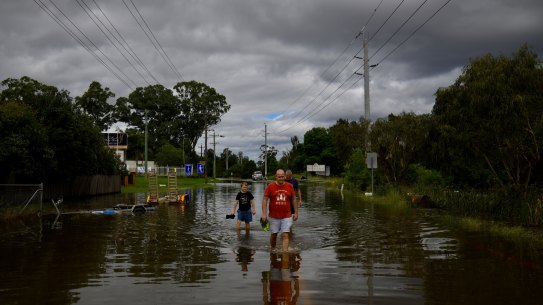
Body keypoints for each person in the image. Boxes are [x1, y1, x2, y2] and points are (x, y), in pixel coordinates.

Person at [261, 169, 298, 252]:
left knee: (285, 235)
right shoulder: (270, 186)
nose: (281, 178)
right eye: (279, 177)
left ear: (284, 176)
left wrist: (296, 212)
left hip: (287, 216)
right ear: (276, 177)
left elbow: (294, 200)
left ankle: (285, 253)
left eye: (282, 176)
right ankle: (273, 249)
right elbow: (265, 200)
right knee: (274, 235)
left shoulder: (290, 186)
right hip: (274, 216)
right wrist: (264, 213)